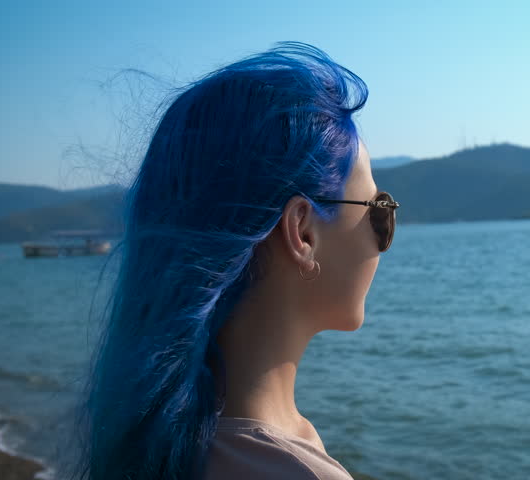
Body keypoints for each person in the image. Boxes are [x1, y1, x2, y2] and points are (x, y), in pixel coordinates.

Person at [69, 42, 399, 480]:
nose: (381, 241)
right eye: (377, 210)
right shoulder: (297, 472)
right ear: (303, 231)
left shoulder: (150, 440)